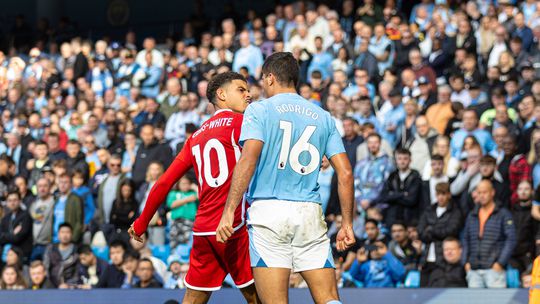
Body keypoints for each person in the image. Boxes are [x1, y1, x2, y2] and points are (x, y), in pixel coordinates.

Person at [216, 52, 355, 304]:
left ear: (270, 78)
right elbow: (345, 172)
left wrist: (229, 211)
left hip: (268, 212)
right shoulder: (323, 116)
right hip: (309, 211)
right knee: (329, 299)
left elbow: (248, 160)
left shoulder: (259, 110)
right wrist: (346, 223)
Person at [130, 72, 258, 303]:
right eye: (241, 89)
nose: (248, 94)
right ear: (221, 94)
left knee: (193, 299)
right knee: (261, 297)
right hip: (234, 226)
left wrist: (141, 223)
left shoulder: (196, 136)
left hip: (203, 230)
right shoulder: (243, 123)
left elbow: (164, 182)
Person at [462, 180, 516, 288]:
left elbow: (511, 239)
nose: (481, 196)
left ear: (492, 192)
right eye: (479, 192)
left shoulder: (503, 214)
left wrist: (500, 263)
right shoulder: (472, 214)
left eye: (484, 192)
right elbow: (465, 239)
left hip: (494, 270)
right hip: (473, 270)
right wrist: (465, 262)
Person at [417, 182, 462, 286]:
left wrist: (431, 229)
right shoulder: (429, 210)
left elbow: (451, 231)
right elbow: (420, 232)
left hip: (443, 261)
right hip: (426, 260)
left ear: (449, 195)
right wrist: (437, 231)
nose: (441, 197)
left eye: (443, 194)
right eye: (438, 194)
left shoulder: (455, 212)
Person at [43, 223, 79, 288]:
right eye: (62, 232)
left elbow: (78, 273)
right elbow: (46, 268)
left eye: (67, 232)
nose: (65, 235)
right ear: (58, 234)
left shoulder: (77, 250)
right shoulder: (50, 248)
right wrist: (51, 285)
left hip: (71, 288)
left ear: (71, 234)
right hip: (51, 286)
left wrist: (68, 285)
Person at [0, 190, 33, 262]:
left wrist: (6, 236)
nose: (12, 203)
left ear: (20, 201)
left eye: (15, 200)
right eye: (10, 200)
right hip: (5, 255)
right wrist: (12, 234)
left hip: (21, 255)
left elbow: (17, 238)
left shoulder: (26, 216)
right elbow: (1, 237)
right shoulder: (5, 218)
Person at [167, 176, 198, 249]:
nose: (185, 186)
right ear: (178, 184)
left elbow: (201, 195)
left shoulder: (193, 193)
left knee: (188, 240)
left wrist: (195, 187)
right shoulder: (173, 193)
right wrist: (187, 200)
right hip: (176, 220)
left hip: (189, 221)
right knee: (174, 240)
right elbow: (171, 204)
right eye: (183, 184)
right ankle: (174, 256)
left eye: (187, 183)